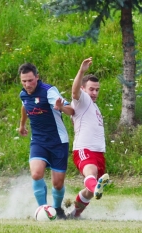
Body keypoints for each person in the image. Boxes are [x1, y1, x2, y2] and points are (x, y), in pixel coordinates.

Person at [18, 62, 74, 219]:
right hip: (38, 141)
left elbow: (71, 110)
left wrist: (61, 107)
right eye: (24, 81)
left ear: (37, 77)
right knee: (36, 174)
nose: (27, 84)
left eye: (30, 80)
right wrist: (22, 125)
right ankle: (43, 209)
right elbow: (24, 107)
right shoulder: (23, 94)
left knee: (57, 183)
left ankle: (57, 209)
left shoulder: (49, 92)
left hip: (58, 141)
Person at [69, 57, 109, 218]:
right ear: (84, 89)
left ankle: (74, 215)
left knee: (89, 190)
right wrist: (81, 71)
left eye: (97, 90)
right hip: (84, 149)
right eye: (91, 89)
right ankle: (95, 187)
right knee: (90, 174)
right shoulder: (82, 100)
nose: (94, 93)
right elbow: (74, 92)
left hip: (98, 153)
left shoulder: (94, 106)